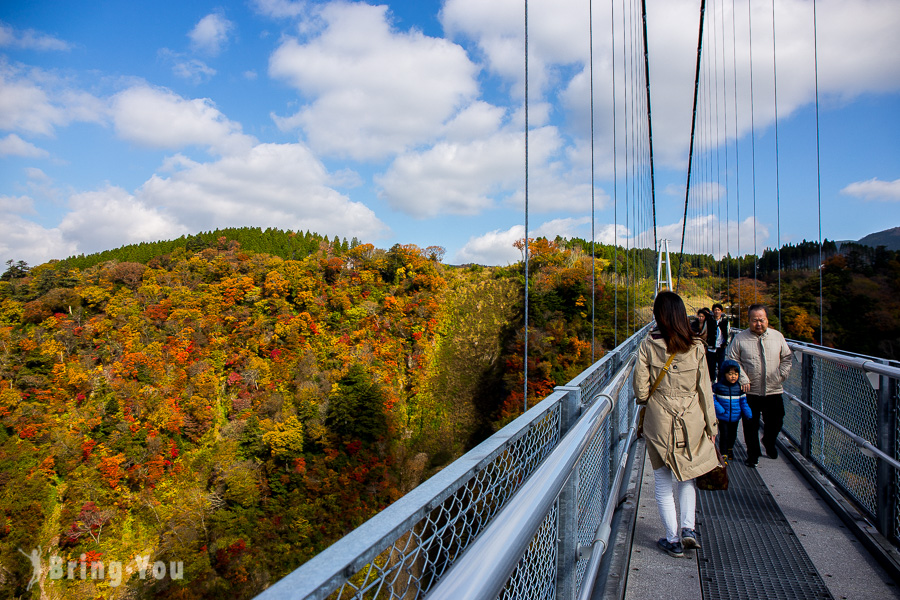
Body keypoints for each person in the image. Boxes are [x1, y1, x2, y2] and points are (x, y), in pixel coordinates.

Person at [634, 291, 719, 558]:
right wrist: (711, 427)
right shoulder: (697, 347)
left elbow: (640, 392)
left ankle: (672, 540)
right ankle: (688, 530)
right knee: (688, 477)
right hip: (692, 418)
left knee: (662, 481)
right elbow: (705, 389)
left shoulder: (648, 345)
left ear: (658, 316)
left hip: (660, 419)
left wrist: (655, 396)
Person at [726, 304, 793, 467]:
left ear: (767, 320)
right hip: (750, 391)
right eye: (754, 320)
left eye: (761, 320)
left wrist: (782, 375)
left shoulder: (777, 337)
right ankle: (753, 454)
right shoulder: (740, 338)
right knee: (750, 425)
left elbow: (787, 358)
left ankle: (769, 442)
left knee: (776, 421)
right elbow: (732, 359)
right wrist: (743, 379)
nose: (758, 324)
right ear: (748, 321)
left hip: (774, 389)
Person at [712, 359, 752, 459]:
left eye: (736, 374)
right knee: (724, 435)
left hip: (735, 417)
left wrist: (748, 413)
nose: (733, 376)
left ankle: (730, 449)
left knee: (733, 435)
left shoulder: (739, 388)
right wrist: (719, 410)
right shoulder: (718, 387)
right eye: (730, 374)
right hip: (723, 416)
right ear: (724, 374)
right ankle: (723, 453)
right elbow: (713, 399)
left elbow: (743, 402)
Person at [692, 307, 716, 383]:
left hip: (707, 346)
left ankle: (709, 379)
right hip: (696, 345)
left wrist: (708, 346)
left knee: (709, 363)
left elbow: (712, 335)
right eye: (699, 316)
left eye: (702, 316)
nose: (700, 318)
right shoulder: (694, 324)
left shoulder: (709, 324)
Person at [711, 303, 730, 376]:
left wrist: (726, 343)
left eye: (718, 310)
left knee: (721, 366)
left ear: (721, 311)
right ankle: (711, 382)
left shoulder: (725, 322)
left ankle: (720, 382)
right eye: (715, 310)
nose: (717, 311)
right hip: (711, 347)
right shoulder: (710, 321)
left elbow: (728, 333)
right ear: (713, 311)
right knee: (711, 366)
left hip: (721, 347)